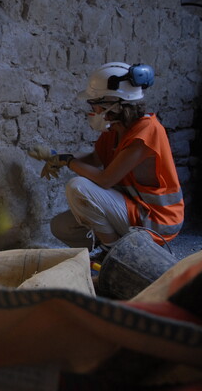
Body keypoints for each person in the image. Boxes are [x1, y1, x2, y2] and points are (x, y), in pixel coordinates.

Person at [28, 62, 184, 250]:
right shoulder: (116, 130)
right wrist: (56, 156)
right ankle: (112, 248)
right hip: (133, 209)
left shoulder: (147, 131)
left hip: (156, 220)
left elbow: (105, 180)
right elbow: (96, 159)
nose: (94, 110)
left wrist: (67, 161)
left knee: (78, 187)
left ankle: (114, 253)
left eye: (96, 104)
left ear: (115, 103)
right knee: (62, 227)